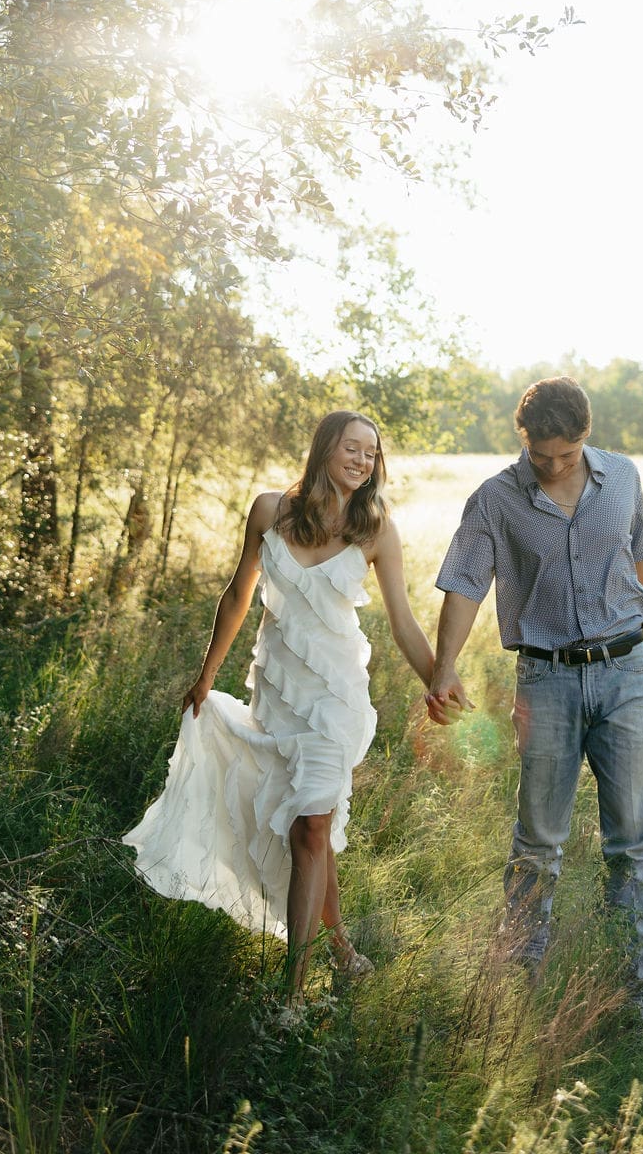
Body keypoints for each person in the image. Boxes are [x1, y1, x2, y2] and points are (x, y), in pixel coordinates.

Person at [123, 410, 439, 1017]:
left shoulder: (376, 530)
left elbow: (402, 621)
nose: (361, 462)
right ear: (324, 449)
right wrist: (207, 673)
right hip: (278, 692)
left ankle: (291, 994)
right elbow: (239, 592)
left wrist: (436, 680)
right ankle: (343, 948)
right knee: (305, 826)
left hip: (336, 698)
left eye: (371, 454)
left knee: (312, 828)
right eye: (351, 448)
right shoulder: (271, 511)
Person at [426, 376, 643, 1022]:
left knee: (634, 845)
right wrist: (444, 666)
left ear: (586, 439)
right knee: (538, 843)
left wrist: (639, 639)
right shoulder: (496, 500)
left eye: (566, 455)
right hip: (548, 680)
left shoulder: (622, 478)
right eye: (543, 456)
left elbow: (639, 556)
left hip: (627, 675)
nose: (555, 467)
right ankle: (517, 990)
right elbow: (463, 585)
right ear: (525, 440)